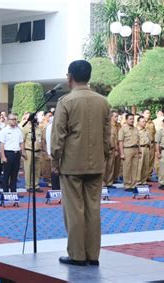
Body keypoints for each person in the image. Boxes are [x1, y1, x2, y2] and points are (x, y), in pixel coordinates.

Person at [51, 60, 110, 266]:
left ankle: (77, 255)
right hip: (96, 163)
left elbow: (58, 135)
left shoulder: (66, 101)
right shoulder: (103, 101)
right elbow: (106, 136)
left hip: (72, 164)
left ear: (70, 77)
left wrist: (55, 159)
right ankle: (93, 255)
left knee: (74, 210)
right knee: (93, 209)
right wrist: (103, 157)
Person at [0, 113, 24, 193]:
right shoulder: (4, 130)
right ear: (8, 120)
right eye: (12, 119)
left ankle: (13, 191)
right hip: (8, 153)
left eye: (15, 119)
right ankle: (5, 192)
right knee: (6, 174)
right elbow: (1, 144)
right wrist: (3, 156)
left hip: (16, 154)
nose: (14, 121)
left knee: (14, 174)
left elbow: (21, 143)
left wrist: (22, 153)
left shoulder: (18, 130)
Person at [22, 112, 45, 192]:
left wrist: (43, 149)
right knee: (28, 169)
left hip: (38, 151)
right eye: (34, 117)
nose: (35, 119)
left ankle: (36, 185)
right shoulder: (25, 128)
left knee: (37, 169)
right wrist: (23, 152)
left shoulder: (38, 127)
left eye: (36, 117)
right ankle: (28, 186)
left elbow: (41, 139)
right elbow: (22, 140)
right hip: (29, 150)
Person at [118, 113, 140, 192]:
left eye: (133, 119)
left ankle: (134, 185)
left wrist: (139, 151)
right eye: (130, 119)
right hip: (127, 149)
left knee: (135, 168)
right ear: (126, 120)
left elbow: (138, 141)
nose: (132, 120)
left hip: (135, 149)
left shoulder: (136, 129)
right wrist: (122, 153)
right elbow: (120, 142)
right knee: (127, 168)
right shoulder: (123, 129)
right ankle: (127, 185)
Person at [103, 111, 119, 188]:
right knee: (103, 166)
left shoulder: (115, 127)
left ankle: (109, 182)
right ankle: (102, 183)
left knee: (111, 166)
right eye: (115, 116)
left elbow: (115, 139)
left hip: (112, 148)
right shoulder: (102, 126)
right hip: (104, 148)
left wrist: (116, 149)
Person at [137, 116, 151, 185]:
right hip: (140, 148)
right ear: (138, 122)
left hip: (147, 148)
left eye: (145, 121)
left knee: (146, 165)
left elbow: (149, 139)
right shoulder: (136, 130)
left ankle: (144, 181)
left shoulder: (147, 130)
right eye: (143, 121)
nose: (144, 123)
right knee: (140, 165)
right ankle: (138, 181)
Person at [143, 109, 156, 181]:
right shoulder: (141, 122)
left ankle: (149, 176)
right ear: (143, 114)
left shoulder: (152, 123)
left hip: (152, 143)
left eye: (149, 113)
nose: (149, 114)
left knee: (151, 160)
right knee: (145, 161)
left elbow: (154, 133)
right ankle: (143, 176)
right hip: (144, 144)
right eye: (147, 113)